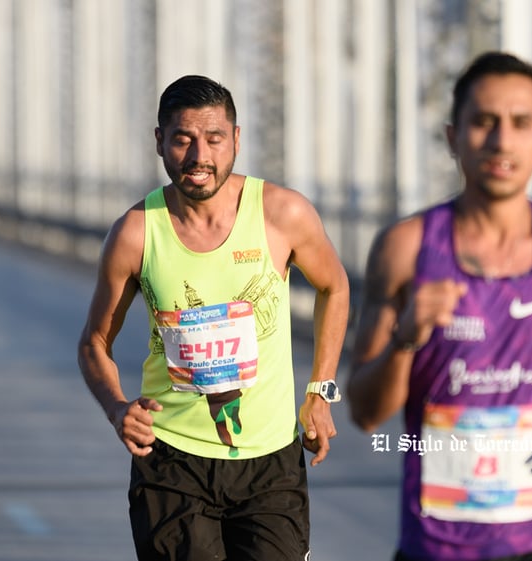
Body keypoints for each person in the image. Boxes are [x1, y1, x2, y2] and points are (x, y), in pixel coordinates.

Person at [347, 51, 532, 561]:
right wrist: (407, 339)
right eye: (484, 122)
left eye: (520, 123)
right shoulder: (404, 250)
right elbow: (364, 411)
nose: (502, 140)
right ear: (452, 136)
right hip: (435, 544)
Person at [78, 75, 349, 561]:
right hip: (171, 463)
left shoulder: (281, 214)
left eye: (214, 139)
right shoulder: (137, 233)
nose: (199, 156)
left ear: (236, 140)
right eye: (182, 139)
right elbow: (94, 343)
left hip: (270, 463)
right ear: (159, 141)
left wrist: (320, 392)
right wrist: (118, 409)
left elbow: (335, 285)